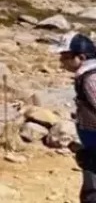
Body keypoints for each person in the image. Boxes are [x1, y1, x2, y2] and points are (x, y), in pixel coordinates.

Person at [54, 32, 96, 203]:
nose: (61, 61)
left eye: (65, 56)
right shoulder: (86, 76)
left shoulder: (91, 79)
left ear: (81, 56)